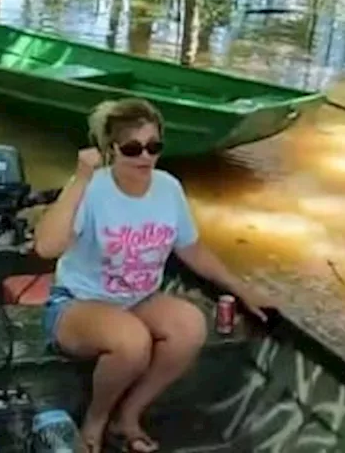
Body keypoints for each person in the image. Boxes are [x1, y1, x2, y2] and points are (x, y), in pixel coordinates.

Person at [33, 98, 274, 453]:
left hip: (138, 299)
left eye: (154, 146)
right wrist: (80, 178)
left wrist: (242, 291)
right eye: (133, 148)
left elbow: (192, 249)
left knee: (190, 326)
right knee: (132, 342)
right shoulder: (92, 188)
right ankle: (95, 422)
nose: (145, 157)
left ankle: (127, 416)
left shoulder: (168, 188)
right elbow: (46, 247)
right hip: (79, 304)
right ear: (112, 150)